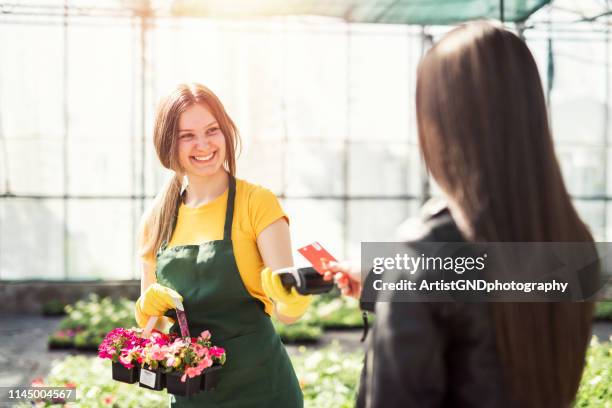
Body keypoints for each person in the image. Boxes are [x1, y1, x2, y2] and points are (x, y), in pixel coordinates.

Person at [326, 21, 599, 408]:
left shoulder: (424, 252)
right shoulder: (574, 240)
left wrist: (404, 283)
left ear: (441, 121)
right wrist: (390, 284)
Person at [134, 83, 308, 407]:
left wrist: (292, 301)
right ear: (168, 144)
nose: (203, 144)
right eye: (187, 135)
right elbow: (150, 332)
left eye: (212, 130)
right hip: (192, 396)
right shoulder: (156, 221)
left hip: (263, 390)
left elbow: (286, 311)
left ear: (226, 133)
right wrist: (148, 309)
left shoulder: (257, 203)